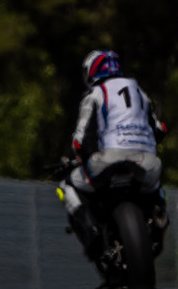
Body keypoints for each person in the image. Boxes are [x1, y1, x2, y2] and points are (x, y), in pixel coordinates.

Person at [59, 49, 169, 276]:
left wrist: (80, 156)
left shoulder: (95, 94)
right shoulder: (139, 91)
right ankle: (159, 219)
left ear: (91, 72)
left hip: (107, 160)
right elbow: (159, 129)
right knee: (156, 185)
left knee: (66, 185)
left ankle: (91, 230)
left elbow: (80, 140)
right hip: (146, 162)